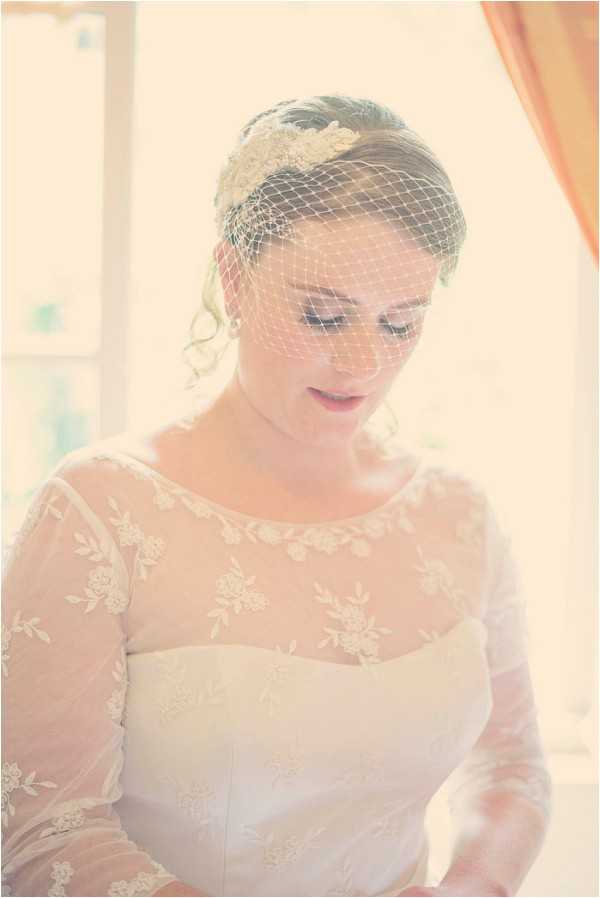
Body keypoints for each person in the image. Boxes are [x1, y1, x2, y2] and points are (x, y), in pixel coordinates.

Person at [2, 95, 552, 897]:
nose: (362, 361)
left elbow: (510, 766)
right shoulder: (100, 510)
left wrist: (472, 884)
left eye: (401, 324)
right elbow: (46, 829)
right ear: (234, 276)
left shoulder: (459, 514)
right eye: (323, 315)